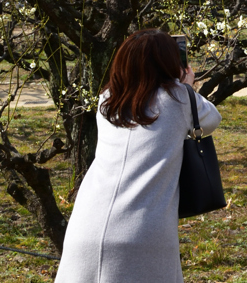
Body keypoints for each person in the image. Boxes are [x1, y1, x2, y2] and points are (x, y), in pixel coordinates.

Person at [55, 29, 221, 283]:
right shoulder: (179, 99)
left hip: (85, 227)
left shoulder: (107, 101)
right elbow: (211, 120)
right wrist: (186, 86)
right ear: (169, 62)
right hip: (142, 231)